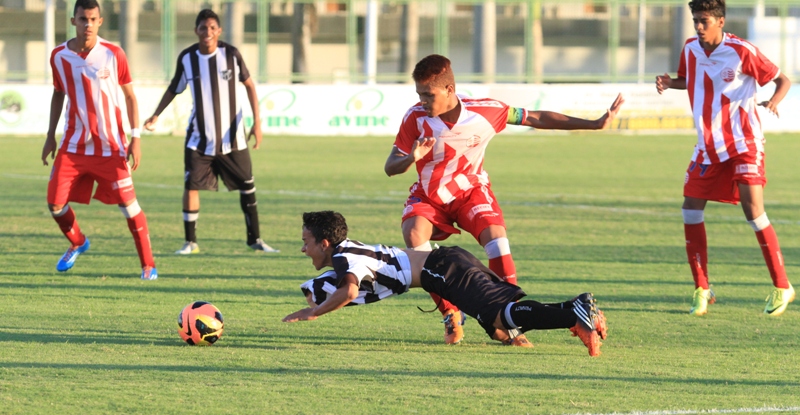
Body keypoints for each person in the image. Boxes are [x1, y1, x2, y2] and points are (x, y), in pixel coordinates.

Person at [384, 54, 624, 345]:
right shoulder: (415, 118)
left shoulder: (486, 111)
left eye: (428, 94)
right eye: (419, 94)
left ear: (449, 90)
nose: (422, 100)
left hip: (470, 191)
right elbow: (390, 166)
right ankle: (450, 313)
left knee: (498, 241)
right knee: (414, 237)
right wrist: (411, 158)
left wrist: (594, 124)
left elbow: (535, 117)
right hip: (429, 196)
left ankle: (512, 321)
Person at [283, 211, 608, 357]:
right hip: (447, 265)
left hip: (442, 270)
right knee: (500, 330)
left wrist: (313, 313)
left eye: (306, 241)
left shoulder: (342, 257)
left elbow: (349, 290)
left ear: (325, 242)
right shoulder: (346, 249)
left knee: (501, 316)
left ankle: (573, 313)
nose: (302, 248)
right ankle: (575, 313)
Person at [656, 0, 793, 316]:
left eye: (704, 20)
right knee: (690, 210)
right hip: (708, 146)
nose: (698, 26)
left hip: (744, 143)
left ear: (720, 21)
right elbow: (687, 80)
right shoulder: (691, 49)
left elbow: (783, 79)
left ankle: (782, 286)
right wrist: (668, 82)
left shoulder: (741, 50)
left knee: (753, 211)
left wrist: (773, 100)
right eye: (695, 20)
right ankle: (702, 289)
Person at [143, 9, 279, 255]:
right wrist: (156, 114)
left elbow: (249, 86)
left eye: (212, 28)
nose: (208, 32)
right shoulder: (187, 58)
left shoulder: (231, 55)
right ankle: (190, 242)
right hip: (199, 139)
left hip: (233, 138)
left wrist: (257, 123)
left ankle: (255, 240)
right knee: (191, 187)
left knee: (248, 186)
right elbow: (174, 88)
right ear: (196, 30)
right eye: (203, 28)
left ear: (219, 31)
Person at [41, 0, 157, 280]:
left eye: (93, 19)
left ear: (100, 21)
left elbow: (130, 96)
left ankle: (148, 265)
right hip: (73, 147)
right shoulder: (59, 56)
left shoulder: (113, 54)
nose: (88, 24)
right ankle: (78, 242)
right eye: (83, 19)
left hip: (111, 147)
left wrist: (136, 137)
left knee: (130, 207)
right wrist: (50, 136)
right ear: (73, 21)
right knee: (55, 204)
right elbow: (58, 93)